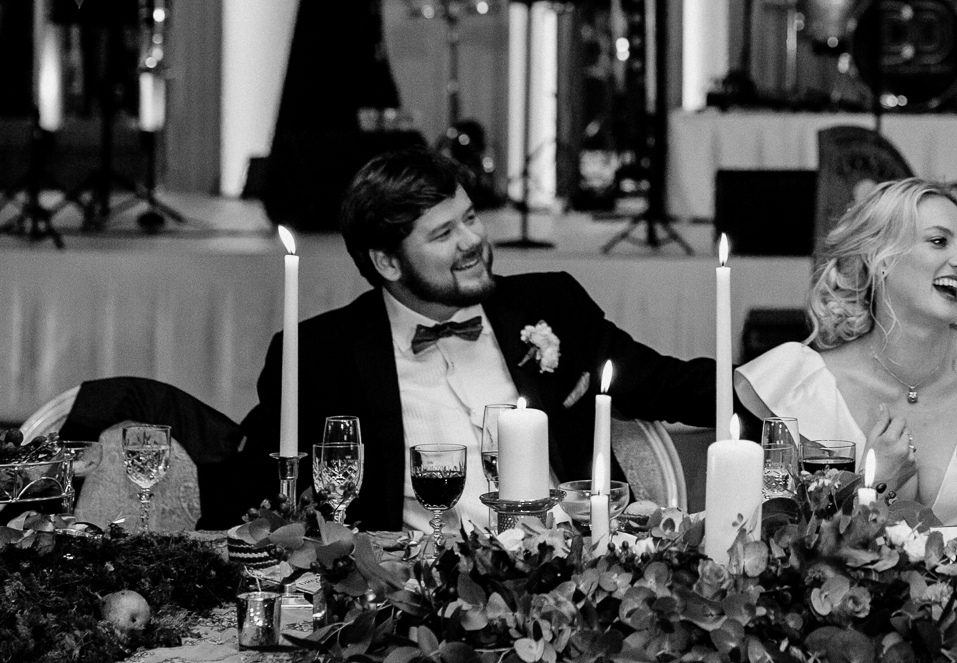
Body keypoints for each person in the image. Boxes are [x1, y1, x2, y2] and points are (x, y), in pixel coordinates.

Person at [236, 148, 721, 532]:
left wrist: (786, 380)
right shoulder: (321, 356)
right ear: (387, 262)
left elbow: (671, 383)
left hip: (577, 584)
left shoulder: (550, 304)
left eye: (470, 217)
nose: (471, 241)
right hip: (420, 607)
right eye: (444, 232)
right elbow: (253, 492)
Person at [735, 178, 957, 524]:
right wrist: (875, 486)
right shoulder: (802, 389)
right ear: (879, 259)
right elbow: (783, 550)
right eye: (939, 241)